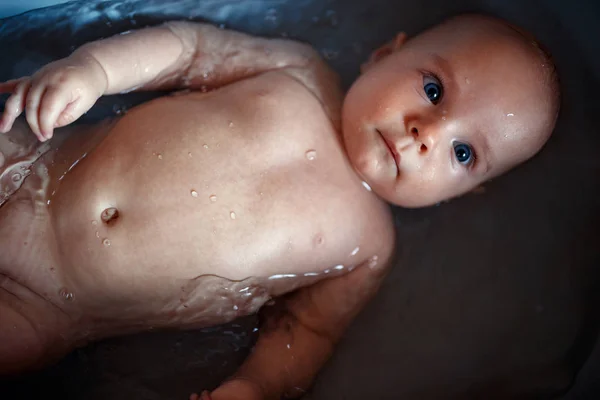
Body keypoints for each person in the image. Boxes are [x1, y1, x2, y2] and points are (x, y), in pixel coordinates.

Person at [0, 13, 559, 400]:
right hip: (31, 161)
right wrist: (96, 70)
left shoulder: (368, 249)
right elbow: (190, 50)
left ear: (463, 192)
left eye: (463, 153)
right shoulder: (299, 70)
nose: (426, 134)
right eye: (434, 91)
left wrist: (257, 387)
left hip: (44, 311)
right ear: (385, 55)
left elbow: (304, 332)